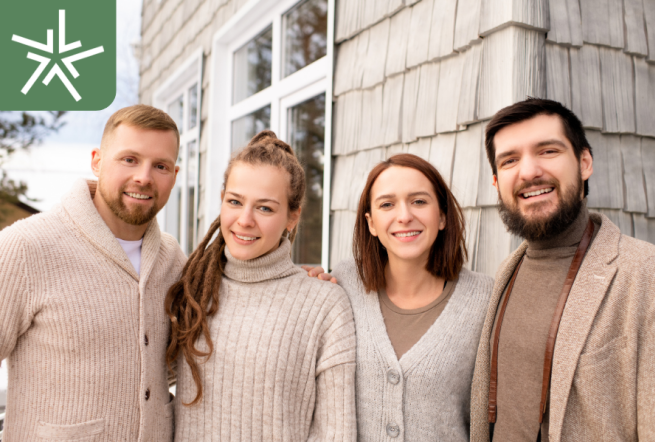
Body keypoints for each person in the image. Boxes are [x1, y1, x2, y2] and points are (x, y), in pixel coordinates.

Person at [470, 98, 655, 441]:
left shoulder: (647, 274)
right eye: (510, 160)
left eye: (547, 151)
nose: (529, 171)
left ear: (584, 162)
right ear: (497, 183)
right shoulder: (505, 274)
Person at [0, 105, 186, 441]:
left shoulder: (174, 261)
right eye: (129, 159)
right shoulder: (25, 247)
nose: (143, 177)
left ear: (174, 174)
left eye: (159, 166)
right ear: (97, 161)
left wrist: (293, 286)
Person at [165, 130, 356, 441]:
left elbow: (336, 432)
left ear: (292, 217)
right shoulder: (192, 288)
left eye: (265, 208)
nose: (244, 220)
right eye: (235, 202)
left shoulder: (325, 304)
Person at [309, 153, 493, 440]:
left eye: (419, 201)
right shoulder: (341, 286)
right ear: (371, 223)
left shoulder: (485, 299)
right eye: (387, 204)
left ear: (442, 215)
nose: (404, 216)